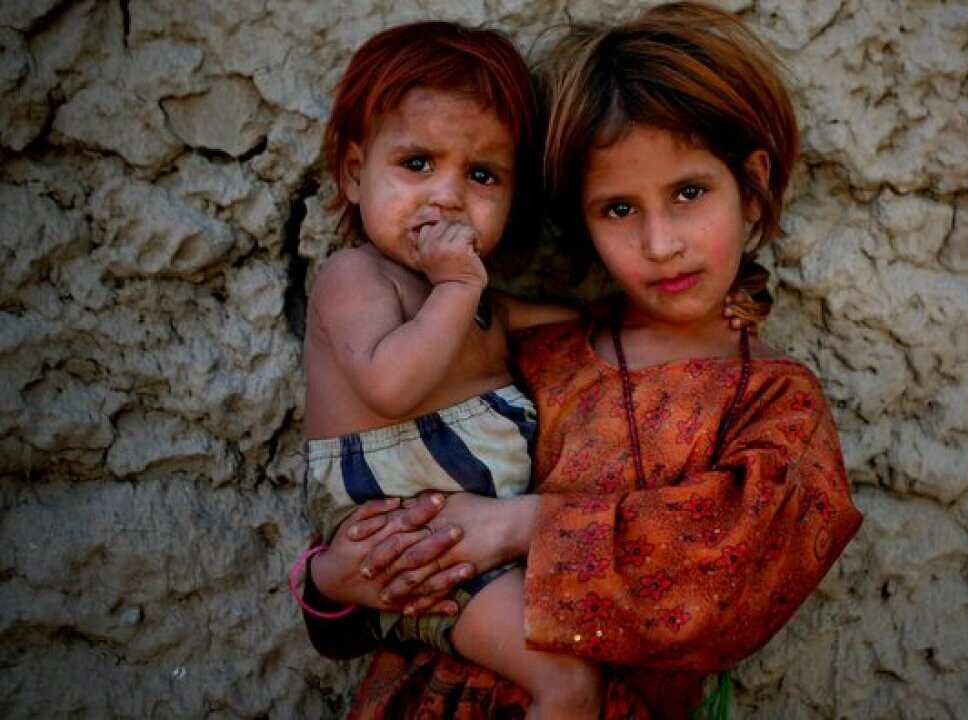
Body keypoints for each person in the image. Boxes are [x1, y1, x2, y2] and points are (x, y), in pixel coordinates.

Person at [301, 4, 864, 718]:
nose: (660, 244)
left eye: (689, 193)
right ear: (579, 219)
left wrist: (521, 524)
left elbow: (737, 573)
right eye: (617, 210)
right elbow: (371, 611)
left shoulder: (772, 400)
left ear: (751, 188)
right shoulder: (536, 357)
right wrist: (330, 579)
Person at [293, 21, 603, 719]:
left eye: (482, 175)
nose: (447, 197)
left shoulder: (487, 306)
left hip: (471, 548)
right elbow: (391, 384)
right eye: (416, 164)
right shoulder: (357, 278)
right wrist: (458, 289)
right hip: (421, 550)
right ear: (353, 173)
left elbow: (592, 324)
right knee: (569, 681)